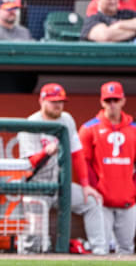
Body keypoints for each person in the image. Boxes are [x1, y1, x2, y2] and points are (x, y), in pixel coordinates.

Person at [20, 83, 107, 254]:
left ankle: (100, 253)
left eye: (60, 101)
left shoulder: (66, 119)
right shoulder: (31, 123)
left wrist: (85, 185)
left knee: (92, 201)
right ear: (42, 101)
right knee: (35, 240)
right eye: (53, 101)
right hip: (37, 186)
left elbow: (77, 153)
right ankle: (27, 258)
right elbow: (29, 164)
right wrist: (46, 152)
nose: (58, 105)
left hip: (60, 184)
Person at [79, 81, 136, 254]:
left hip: (128, 200)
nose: (112, 105)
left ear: (123, 101)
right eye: (108, 100)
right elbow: (83, 162)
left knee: (126, 249)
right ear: (102, 102)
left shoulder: (133, 129)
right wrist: (92, 187)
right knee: (100, 250)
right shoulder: (89, 128)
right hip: (101, 200)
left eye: (116, 100)